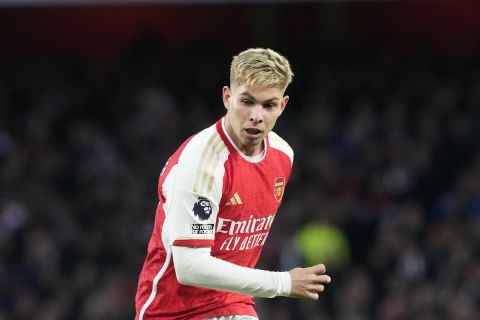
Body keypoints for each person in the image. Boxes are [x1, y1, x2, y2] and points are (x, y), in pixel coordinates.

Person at [135, 48, 331, 320]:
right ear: (227, 97)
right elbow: (190, 266)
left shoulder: (283, 155)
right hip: (173, 311)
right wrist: (283, 283)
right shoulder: (201, 164)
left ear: (283, 106)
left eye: (268, 105)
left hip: (233, 303)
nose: (256, 116)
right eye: (247, 102)